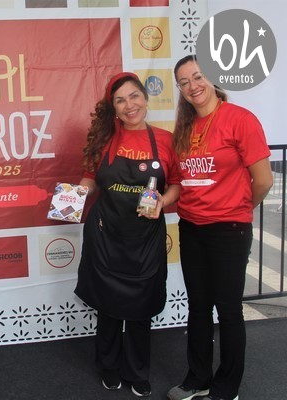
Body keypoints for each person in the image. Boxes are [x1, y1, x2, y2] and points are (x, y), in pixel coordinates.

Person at [166, 55, 273, 400]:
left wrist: (239, 208)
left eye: (198, 77)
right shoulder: (184, 128)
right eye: (184, 82)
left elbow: (263, 181)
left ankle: (227, 388)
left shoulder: (240, 119)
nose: (193, 86)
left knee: (228, 310)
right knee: (198, 307)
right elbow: (182, 181)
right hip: (191, 227)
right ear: (180, 89)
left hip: (229, 229)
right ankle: (198, 379)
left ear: (212, 78)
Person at [74, 72, 181, 397]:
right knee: (108, 307)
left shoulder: (165, 140)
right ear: (114, 108)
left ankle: (137, 371)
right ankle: (108, 366)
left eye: (134, 96)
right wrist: (74, 197)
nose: (129, 105)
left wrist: (163, 201)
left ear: (145, 99)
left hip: (145, 239)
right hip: (105, 235)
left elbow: (176, 184)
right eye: (120, 100)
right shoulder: (104, 139)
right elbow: (90, 178)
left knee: (141, 307)